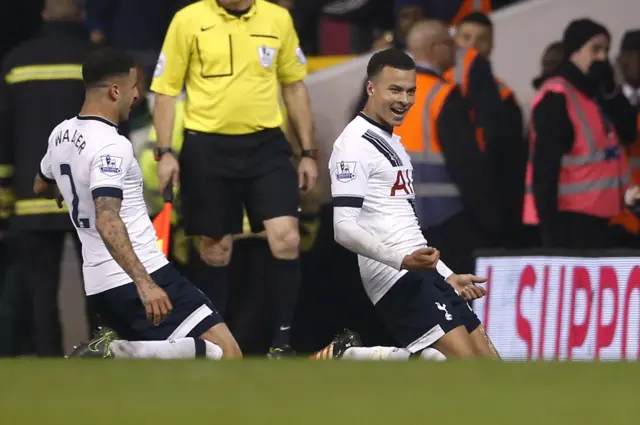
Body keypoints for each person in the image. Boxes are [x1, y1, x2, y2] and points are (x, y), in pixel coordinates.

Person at [34, 47, 242, 360]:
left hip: (99, 285)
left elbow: (41, 184)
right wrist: (145, 284)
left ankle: (121, 351)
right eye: (134, 87)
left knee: (179, 370)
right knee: (228, 353)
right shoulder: (111, 145)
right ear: (115, 91)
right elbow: (107, 220)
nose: (137, 95)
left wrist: (68, 188)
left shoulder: (60, 133)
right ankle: (119, 351)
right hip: (139, 275)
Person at [151, 0, 317, 358]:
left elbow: (295, 86)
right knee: (216, 248)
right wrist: (165, 151)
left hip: (266, 142)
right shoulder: (188, 20)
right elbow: (166, 90)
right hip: (206, 145)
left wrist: (307, 152)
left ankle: (282, 343)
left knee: (286, 238)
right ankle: (217, 345)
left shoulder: (277, 18)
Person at [329, 48, 500, 359]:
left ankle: (355, 356)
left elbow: (407, 228)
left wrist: (446, 275)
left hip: (425, 273)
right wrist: (402, 261)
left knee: (491, 368)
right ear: (371, 88)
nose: (404, 100)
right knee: (470, 371)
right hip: (394, 278)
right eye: (394, 89)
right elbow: (343, 229)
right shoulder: (353, 143)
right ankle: (353, 358)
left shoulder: (394, 141)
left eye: (410, 91)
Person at [0, 0, 96, 356]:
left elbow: (4, 134)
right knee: (97, 285)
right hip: (89, 198)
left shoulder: (16, 63)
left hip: (32, 198)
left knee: (41, 291)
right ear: (82, 17)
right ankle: (99, 354)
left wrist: (4, 195)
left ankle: (48, 359)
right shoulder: (96, 61)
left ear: (43, 16)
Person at [392, 20, 500, 274]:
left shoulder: (383, 94)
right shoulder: (443, 96)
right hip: (444, 222)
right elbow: (467, 167)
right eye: (451, 44)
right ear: (435, 48)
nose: (457, 50)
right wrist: (491, 223)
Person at [523, 19, 638, 249]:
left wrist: (610, 91)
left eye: (606, 50)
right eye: (595, 49)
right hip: (572, 221)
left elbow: (628, 133)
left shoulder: (595, 94)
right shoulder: (557, 96)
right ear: (574, 52)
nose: (602, 58)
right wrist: (550, 233)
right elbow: (545, 169)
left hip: (610, 217)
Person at [453, 11, 525, 247]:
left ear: (491, 45)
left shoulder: (504, 96)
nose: (472, 45)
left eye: (480, 39)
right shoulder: (437, 90)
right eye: (466, 37)